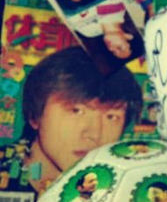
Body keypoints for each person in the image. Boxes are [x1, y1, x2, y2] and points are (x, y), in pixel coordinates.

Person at [21, 46, 142, 192]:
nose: (94, 134)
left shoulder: (126, 189)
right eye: (76, 111)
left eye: (111, 117)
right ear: (35, 116)